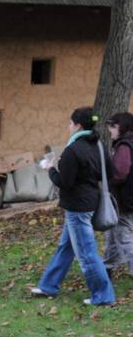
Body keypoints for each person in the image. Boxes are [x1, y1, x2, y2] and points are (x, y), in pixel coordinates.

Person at [31, 106, 115, 306]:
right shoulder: (99, 146)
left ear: (78, 125)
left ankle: (103, 296)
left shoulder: (73, 149)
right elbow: (109, 173)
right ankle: (48, 286)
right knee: (66, 246)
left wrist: (51, 169)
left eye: (70, 123)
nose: (68, 126)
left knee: (86, 253)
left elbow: (64, 182)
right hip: (91, 201)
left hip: (78, 207)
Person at [103, 112, 133, 278]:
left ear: (123, 128)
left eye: (113, 126)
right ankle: (107, 266)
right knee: (113, 234)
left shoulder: (124, 146)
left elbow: (119, 173)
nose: (110, 130)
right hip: (126, 198)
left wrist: (104, 176)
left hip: (125, 199)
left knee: (123, 236)